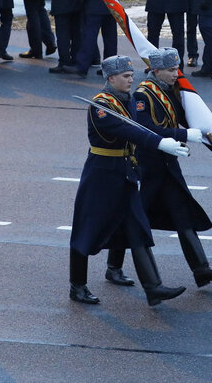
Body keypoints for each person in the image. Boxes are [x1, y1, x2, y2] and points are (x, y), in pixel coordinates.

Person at [68, 54, 190, 308]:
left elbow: (141, 127)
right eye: (125, 76)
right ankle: (77, 286)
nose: (130, 80)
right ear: (111, 78)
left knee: (137, 229)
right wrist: (159, 142)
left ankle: (153, 288)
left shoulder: (128, 100)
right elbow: (127, 131)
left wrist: (173, 137)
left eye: (131, 75)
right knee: (87, 229)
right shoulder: (102, 105)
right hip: (102, 174)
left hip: (125, 170)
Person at [128, 48, 212, 286]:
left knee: (183, 213)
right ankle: (114, 266)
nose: (176, 74)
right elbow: (147, 131)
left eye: (177, 69)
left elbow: (188, 119)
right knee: (133, 218)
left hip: (168, 164)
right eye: (171, 70)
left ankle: (201, 270)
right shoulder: (143, 95)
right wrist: (183, 134)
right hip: (150, 165)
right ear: (156, 70)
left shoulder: (168, 90)